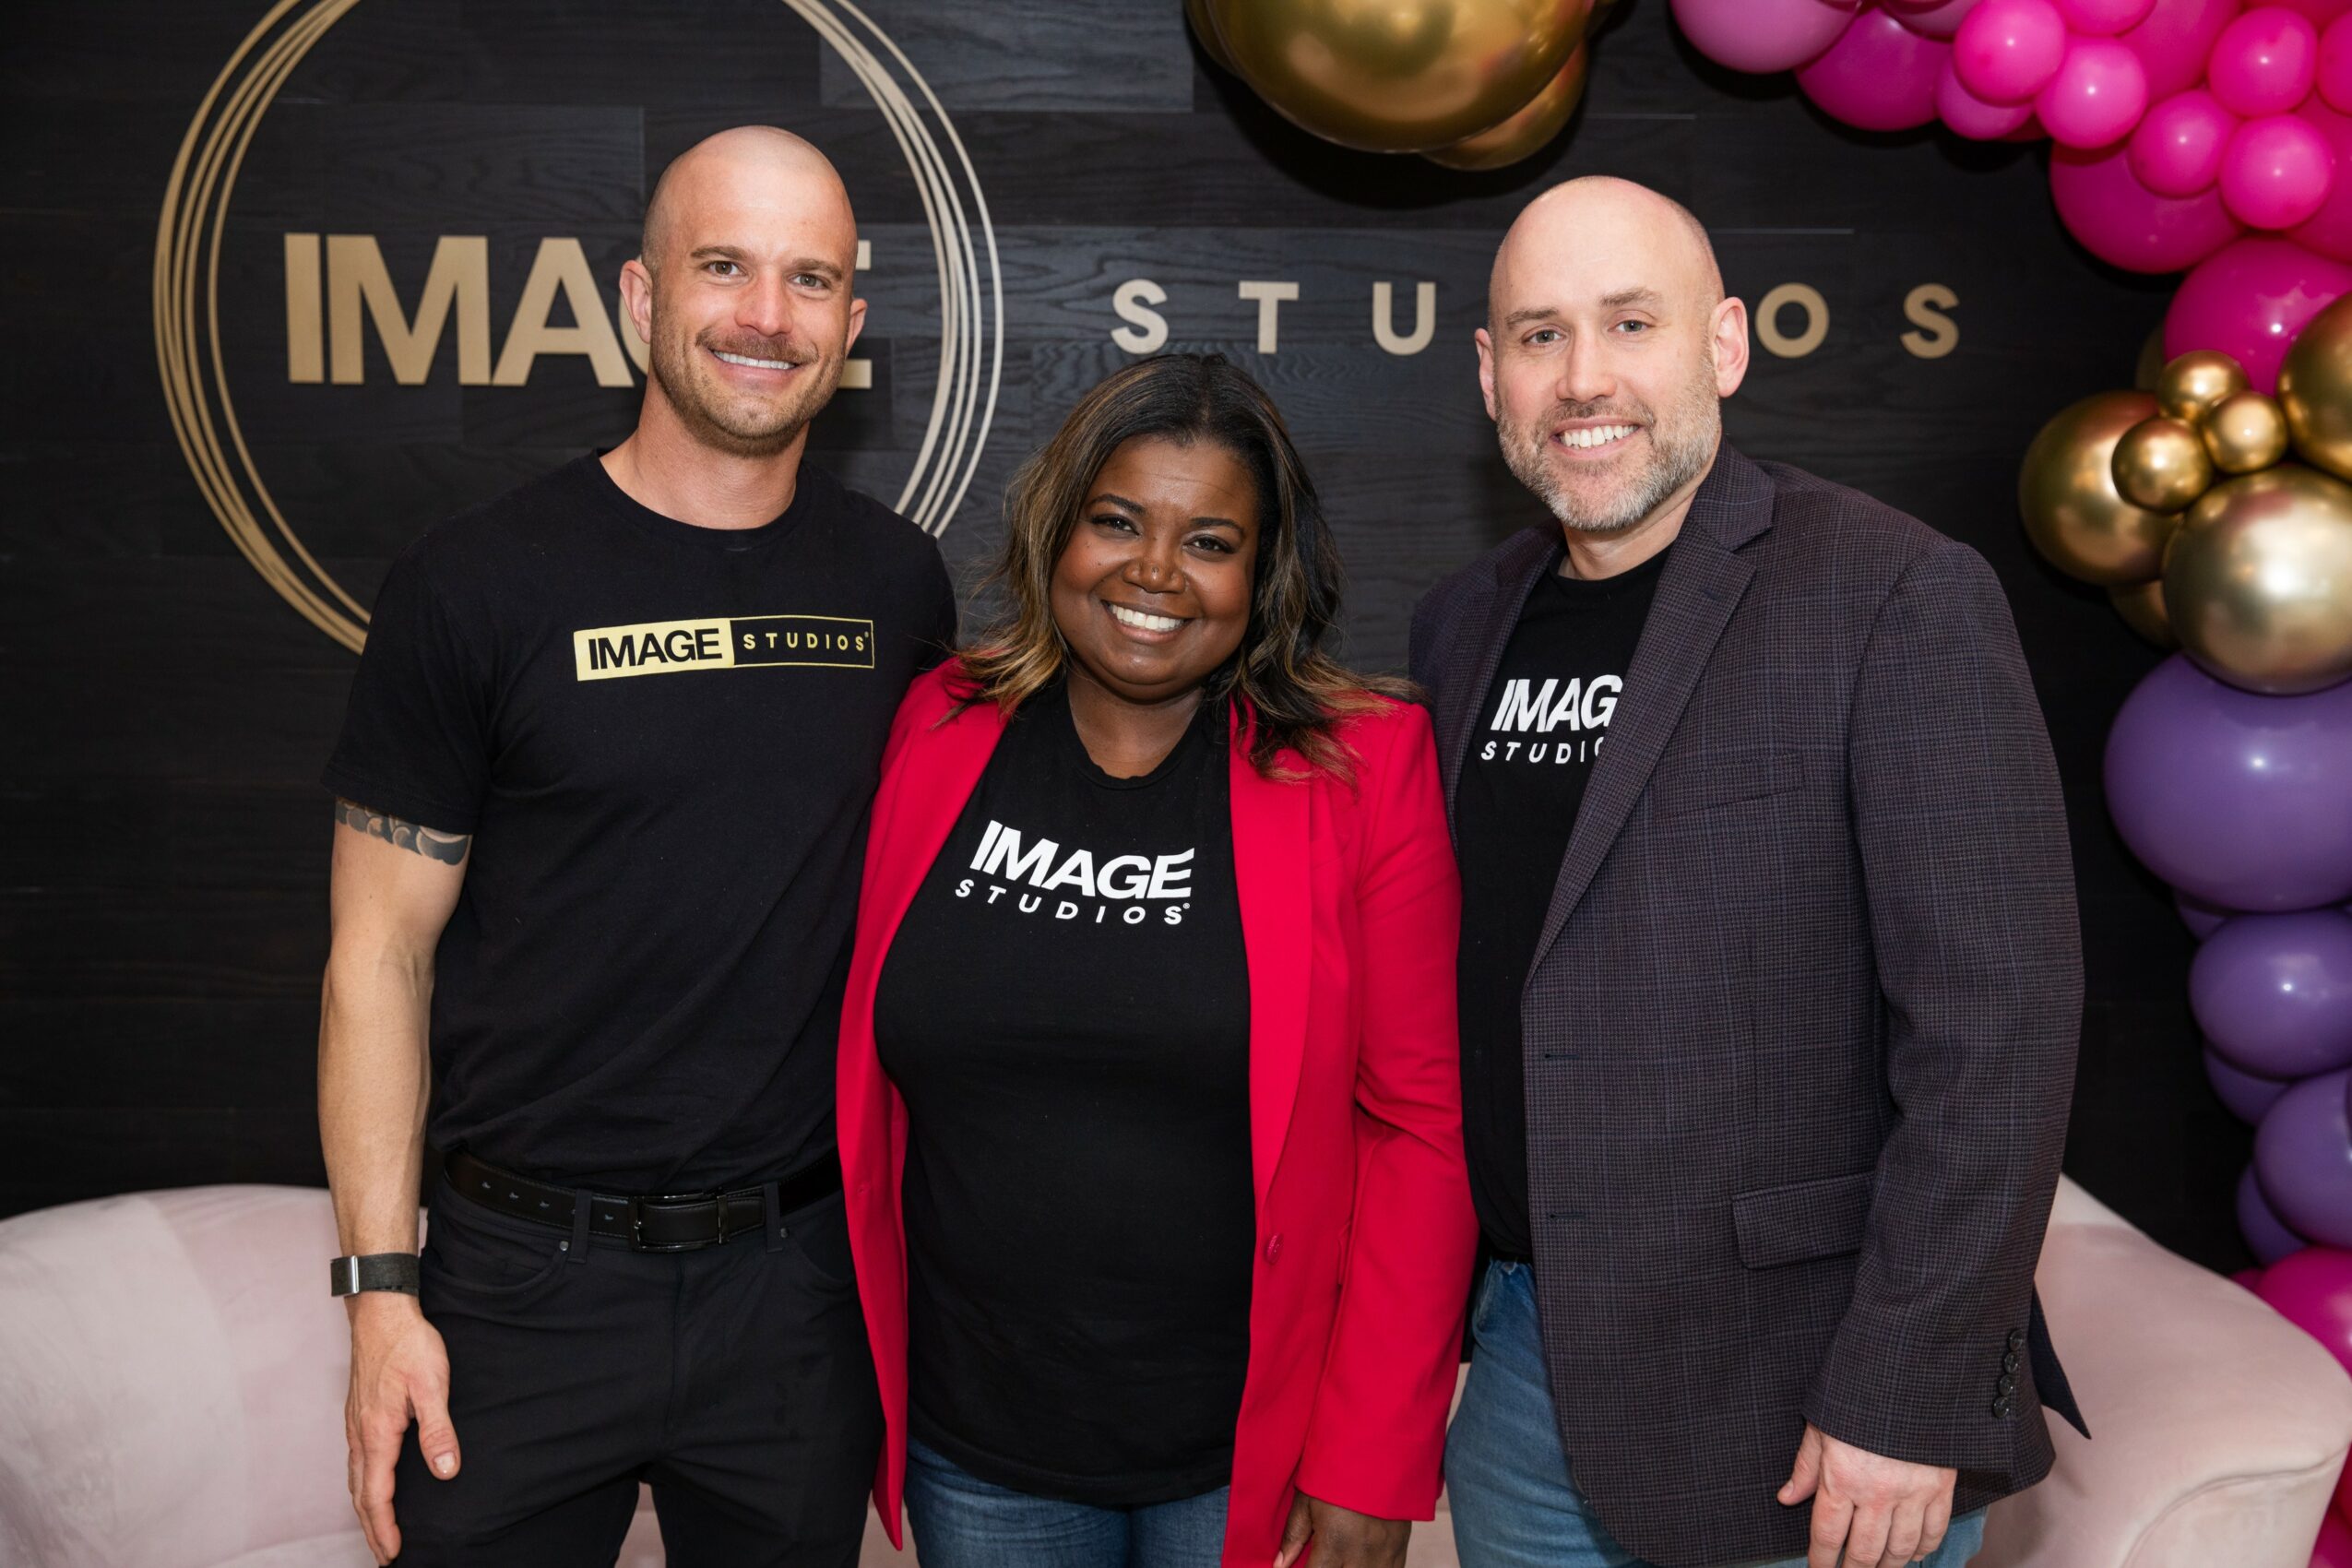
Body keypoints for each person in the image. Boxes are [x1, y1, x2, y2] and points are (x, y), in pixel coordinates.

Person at [1413, 176, 2086, 1568]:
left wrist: (1905, 1396)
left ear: (1720, 345)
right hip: (1526, 1376)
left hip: (1806, 1403)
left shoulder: (1892, 593)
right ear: (1487, 376)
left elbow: (1996, 1034)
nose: (1581, 378)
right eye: (1536, 336)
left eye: (1629, 323)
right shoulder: (1457, 626)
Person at [315, 127, 956, 1568]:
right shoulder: (473, 583)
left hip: (795, 1296)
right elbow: (379, 954)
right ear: (637, 296)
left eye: (810, 280)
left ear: (850, 328)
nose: (763, 316)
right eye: (722, 266)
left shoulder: (895, 582)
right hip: (520, 1294)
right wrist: (379, 1294)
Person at [833, 352, 1478, 1568]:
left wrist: (1369, 1459)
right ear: (1056, 529)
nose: (1151, 572)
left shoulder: (1363, 770)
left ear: (1263, 572)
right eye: (1117, 522)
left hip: (1244, 1454)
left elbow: (1420, 1130)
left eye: (1209, 540)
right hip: (980, 1451)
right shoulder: (939, 728)